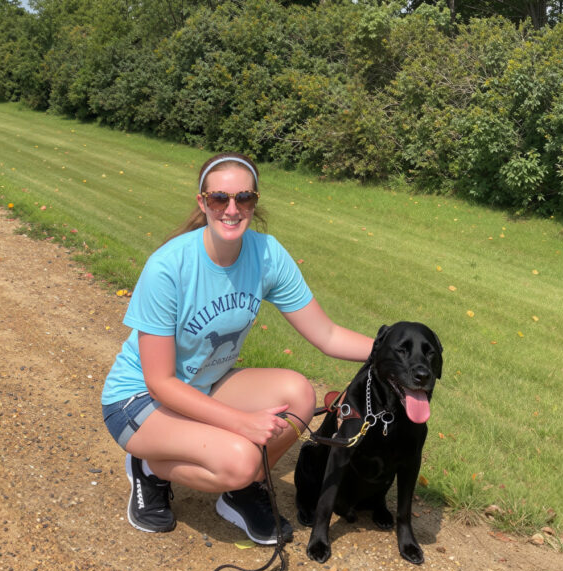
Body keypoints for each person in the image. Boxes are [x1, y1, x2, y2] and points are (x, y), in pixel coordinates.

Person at [101, 152, 374, 544]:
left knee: (298, 393)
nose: (232, 209)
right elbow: (159, 382)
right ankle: (149, 467)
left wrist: (395, 349)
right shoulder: (169, 267)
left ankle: (242, 491)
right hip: (139, 400)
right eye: (219, 199)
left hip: (205, 384)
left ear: (254, 202)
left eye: (243, 199)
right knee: (242, 457)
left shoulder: (267, 255)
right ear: (203, 203)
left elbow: (327, 334)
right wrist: (240, 423)